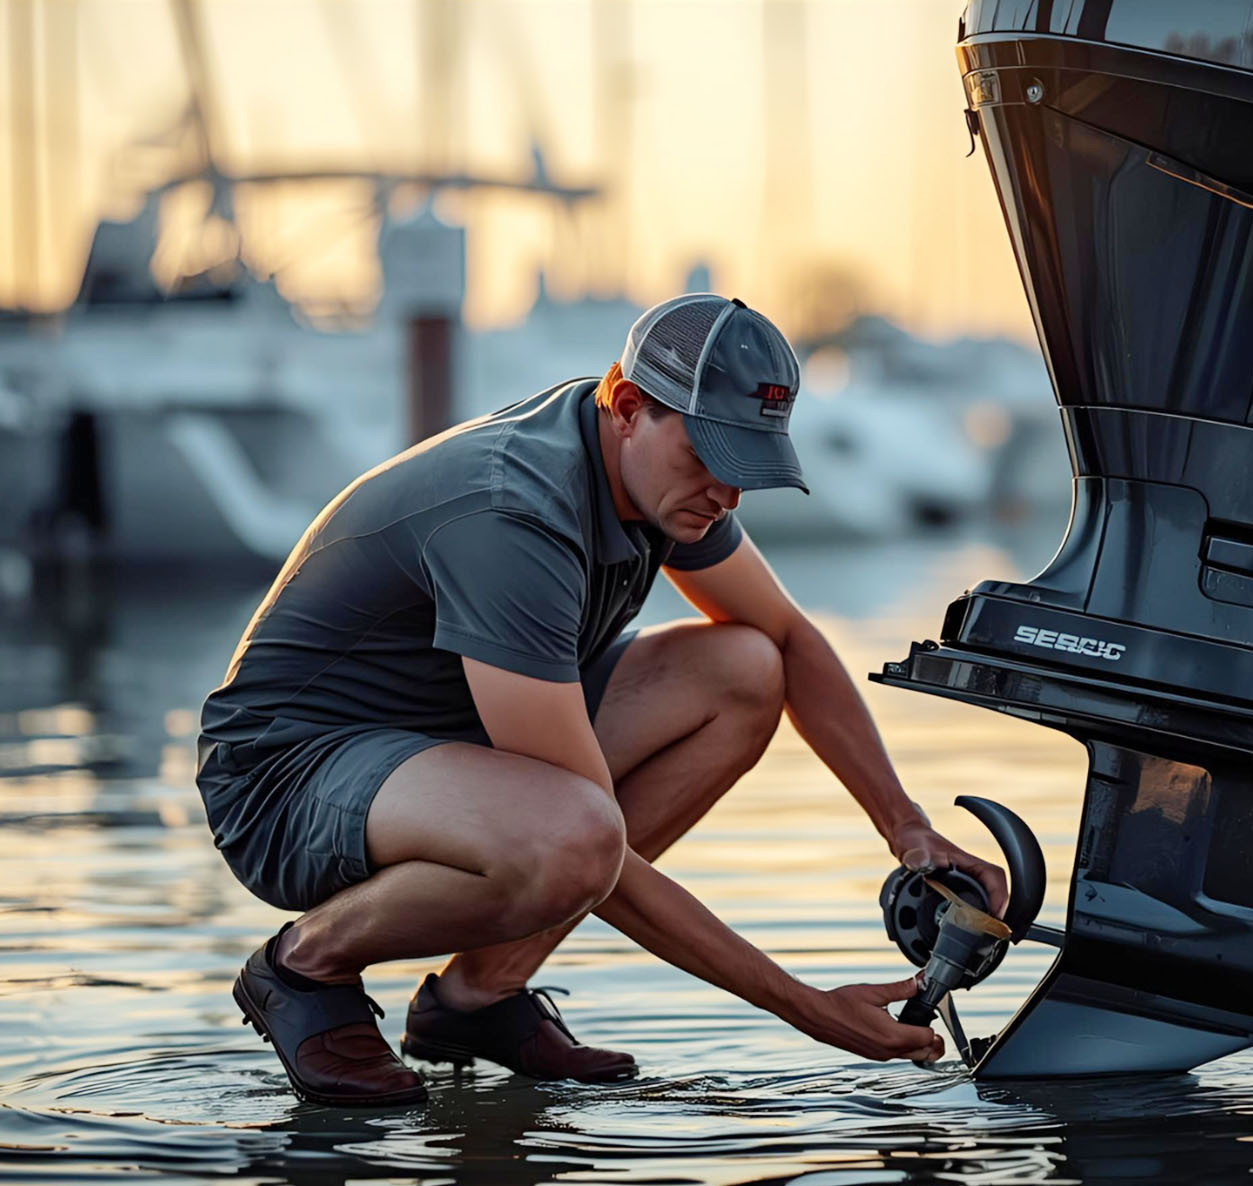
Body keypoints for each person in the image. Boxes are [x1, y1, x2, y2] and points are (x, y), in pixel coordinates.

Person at [196, 294, 1006, 1106]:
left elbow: (789, 642)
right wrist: (805, 1008)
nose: (728, 495)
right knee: (573, 836)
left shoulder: (662, 481)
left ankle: (476, 1000)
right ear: (626, 407)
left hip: (443, 743)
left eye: (747, 467)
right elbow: (595, 849)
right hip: (285, 777)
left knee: (745, 668)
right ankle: (304, 966)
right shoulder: (513, 510)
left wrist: (906, 826)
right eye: (711, 457)